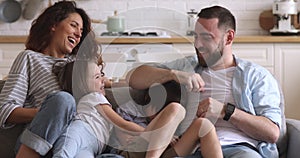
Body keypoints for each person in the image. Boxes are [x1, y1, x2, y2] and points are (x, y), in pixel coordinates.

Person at [126, 5, 282, 158]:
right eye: (195, 36)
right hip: (191, 148)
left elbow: (272, 133)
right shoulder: (187, 67)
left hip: (239, 149)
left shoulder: (256, 76)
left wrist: (226, 111)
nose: (197, 44)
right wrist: (172, 74)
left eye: (206, 38)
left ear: (229, 37)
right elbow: (133, 78)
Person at [53, 53, 222, 158]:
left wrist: (109, 82)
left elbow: (118, 83)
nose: (159, 116)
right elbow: (123, 133)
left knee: (204, 125)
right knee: (176, 110)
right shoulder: (124, 109)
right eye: (157, 109)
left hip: (162, 152)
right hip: (133, 151)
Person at [0, 1, 95, 157]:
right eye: (73, 25)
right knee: (63, 100)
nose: (78, 34)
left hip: (76, 140)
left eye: (81, 30)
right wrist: (49, 112)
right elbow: (5, 110)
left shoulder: (80, 65)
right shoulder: (29, 58)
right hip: (40, 143)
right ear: (54, 25)